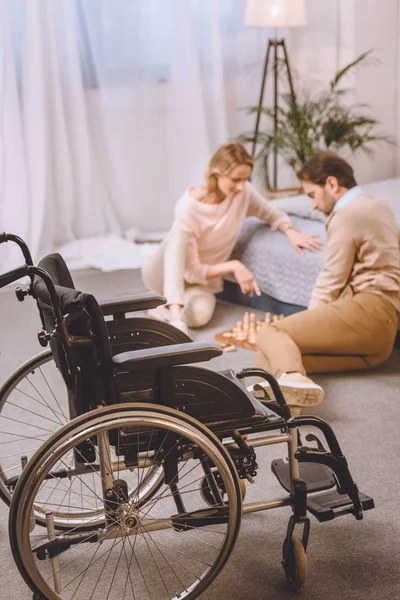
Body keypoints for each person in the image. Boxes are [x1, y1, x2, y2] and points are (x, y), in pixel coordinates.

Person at [255, 151, 400, 414]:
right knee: (279, 357)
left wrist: (308, 324)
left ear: (331, 184)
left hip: (368, 311)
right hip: (381, 343)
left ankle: (266, 403)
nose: (312, 205)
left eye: (311, 194)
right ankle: (286, 418)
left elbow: (331, 279)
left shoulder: (348, 213)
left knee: (270, 333)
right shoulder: (380, 205)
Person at [142, 143, 321, 333]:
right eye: (236, 179)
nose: (241, 186)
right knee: (178, 234)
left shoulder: (244, 194)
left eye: (245, 179)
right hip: (162, 273)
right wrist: (234, 266)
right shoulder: (189, 206)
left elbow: (272, 214)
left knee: (199, 315)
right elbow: (189, 269)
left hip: (199, 280)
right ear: (217, 174)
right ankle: (176, 316)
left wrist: (291, 232)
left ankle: (158, 305)